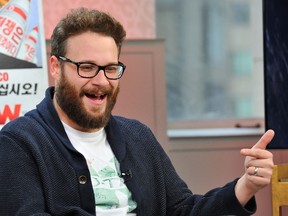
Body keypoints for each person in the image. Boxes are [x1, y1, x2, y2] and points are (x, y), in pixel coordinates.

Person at [0, 7, 274, 216]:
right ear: (56, 67)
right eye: (86, 67)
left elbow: (182, 210)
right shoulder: (18, 143)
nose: (101, 81)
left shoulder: (138, 136)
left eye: (110, 68)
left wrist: (246, 186)